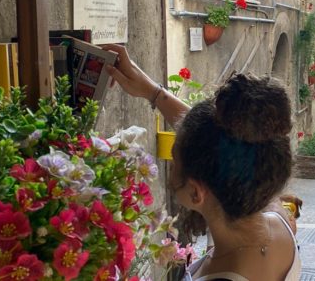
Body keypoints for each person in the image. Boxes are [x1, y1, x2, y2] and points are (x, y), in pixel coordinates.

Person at [103, 44, 301, 281]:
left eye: (174, 161)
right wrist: (153, 92)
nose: (171, 168)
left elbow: (213, 145)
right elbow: (219, 141)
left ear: (196, 193)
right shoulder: (277, 219)